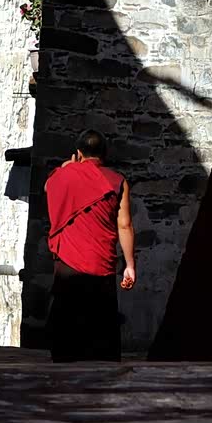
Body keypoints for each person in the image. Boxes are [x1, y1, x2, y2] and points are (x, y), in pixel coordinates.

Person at [45, 129, 136, 363]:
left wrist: (66, 167)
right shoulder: (117, 181)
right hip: (100, 264)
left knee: (67, 325)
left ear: (78, 153)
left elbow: (47, 188)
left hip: (68, 265)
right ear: (104, 154)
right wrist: (129, 265)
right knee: (101, 327)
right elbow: (124, 224)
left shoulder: (61, 176)